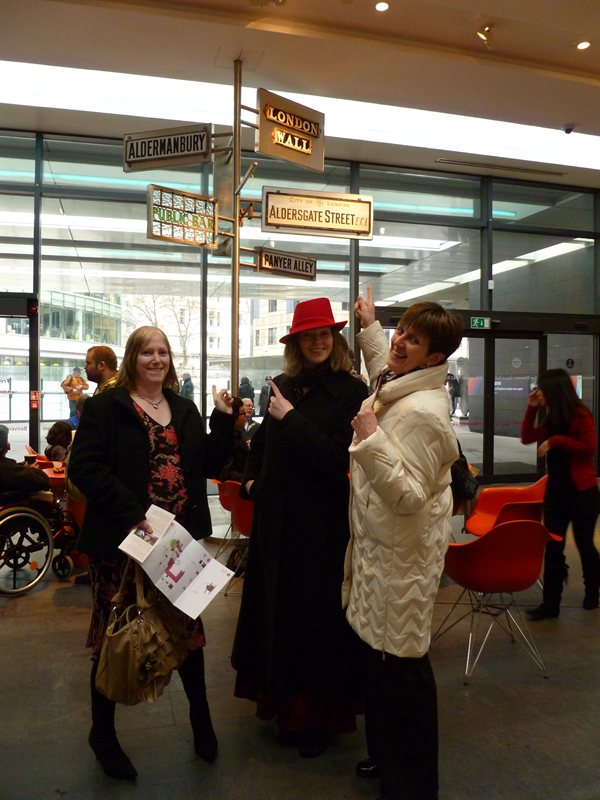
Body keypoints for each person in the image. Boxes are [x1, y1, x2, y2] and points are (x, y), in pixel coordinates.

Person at [68, 325, 234, 781]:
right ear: (132, 359)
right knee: (113, 632)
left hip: (176, 543)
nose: (156, 359)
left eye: (162, 352)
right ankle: (102, 734)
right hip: (122, 545)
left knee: (189, 630)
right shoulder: (108, 406)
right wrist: (133, 510)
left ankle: (201, 723)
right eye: (147, 352)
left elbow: (207, 466)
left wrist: (220, 420)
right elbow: (84, 467)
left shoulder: (184, 409)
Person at [232, 297, 369, 758]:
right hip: (277, 526)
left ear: (335, 340)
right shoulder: (282, 385)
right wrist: (251, 481)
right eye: (309, 335)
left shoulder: (350, 393)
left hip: (321, 528)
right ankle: (284, 709)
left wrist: (290, 418)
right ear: (296, 342)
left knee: (316, 624)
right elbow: (259, 444)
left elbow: (335, 459)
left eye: (325, 334)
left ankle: (318, 720)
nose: (318, 342)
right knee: (280, 619)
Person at [343, 286, 463, 800]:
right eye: (403, 331)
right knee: (381, 669)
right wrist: (371, 327)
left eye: (414, 339)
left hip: (401, 566)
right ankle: (385, 759)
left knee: (403, 677)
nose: (401, 342)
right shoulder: (404, 383)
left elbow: (410, 495)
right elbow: (384, 371)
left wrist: (369, 438)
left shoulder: (425, 414)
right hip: (382, 556)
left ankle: (411, 785)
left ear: (435, 357)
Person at [521, 368, 600, 620]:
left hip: (583, 493)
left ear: (554, 390)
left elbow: (589, 448)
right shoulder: (550, 415)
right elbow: (526, 437)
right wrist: (532, 408)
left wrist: (555, 441)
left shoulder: (580, 415)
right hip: (556, 493)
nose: (537, 391)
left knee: (585, 545)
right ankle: (550, 604)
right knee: (553, 548)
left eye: (541, 388)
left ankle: (593, 592)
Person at [0, 424, 51, 493]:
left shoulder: (8, 469)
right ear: (5, 447)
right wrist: (31, 470)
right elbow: (44, 482)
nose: (9, 447)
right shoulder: (8, 470)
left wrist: (21, 467)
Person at [219, 397, 251, 482]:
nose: (246, 416)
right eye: (243, 413)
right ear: (234, 416)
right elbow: (226, 473)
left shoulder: (237, 434)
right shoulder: (226, 439)